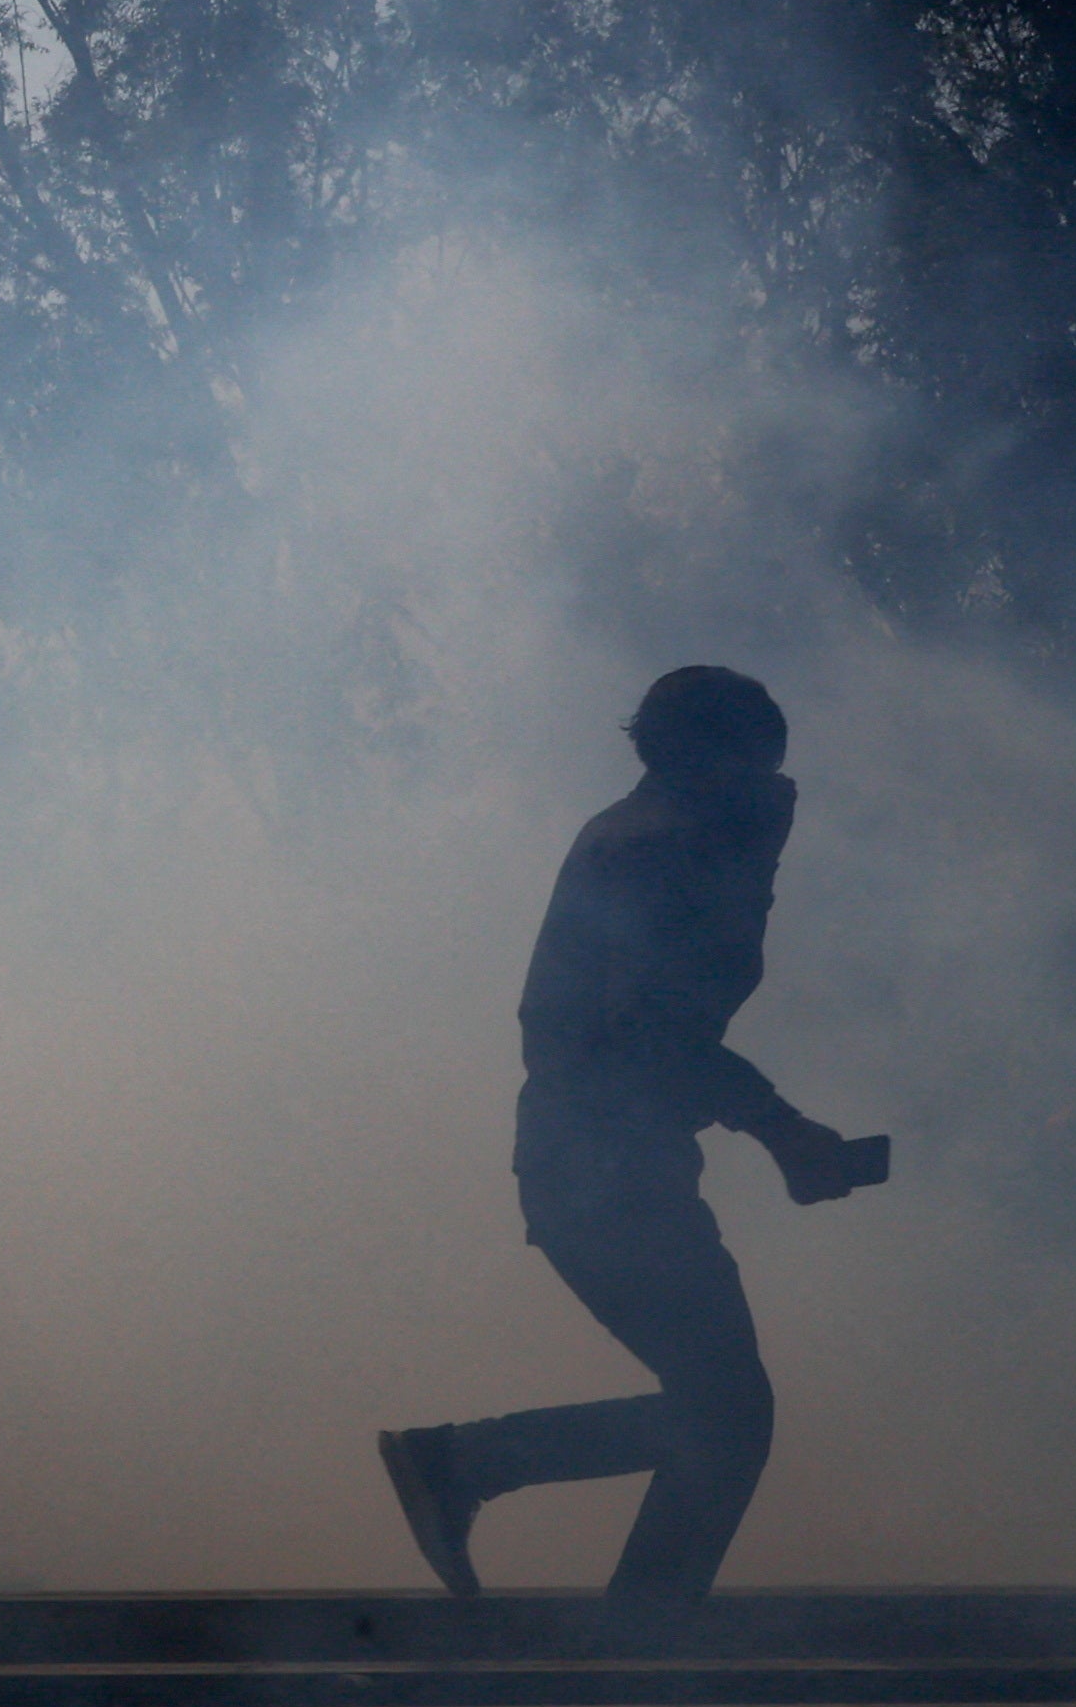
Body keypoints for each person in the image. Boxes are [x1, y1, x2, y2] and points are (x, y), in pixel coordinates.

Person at [378, 666, 884, 1605]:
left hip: (602, 1156)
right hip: (600, 1161)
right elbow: (648, 1035)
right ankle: (621, 1621)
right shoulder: (663, 853)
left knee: (721, 1415)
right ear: (719, 760)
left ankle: (488, 1486)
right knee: (728, 1417)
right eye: (759, 766)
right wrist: (782, 1128)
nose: (775, 788)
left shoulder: (650, 837)